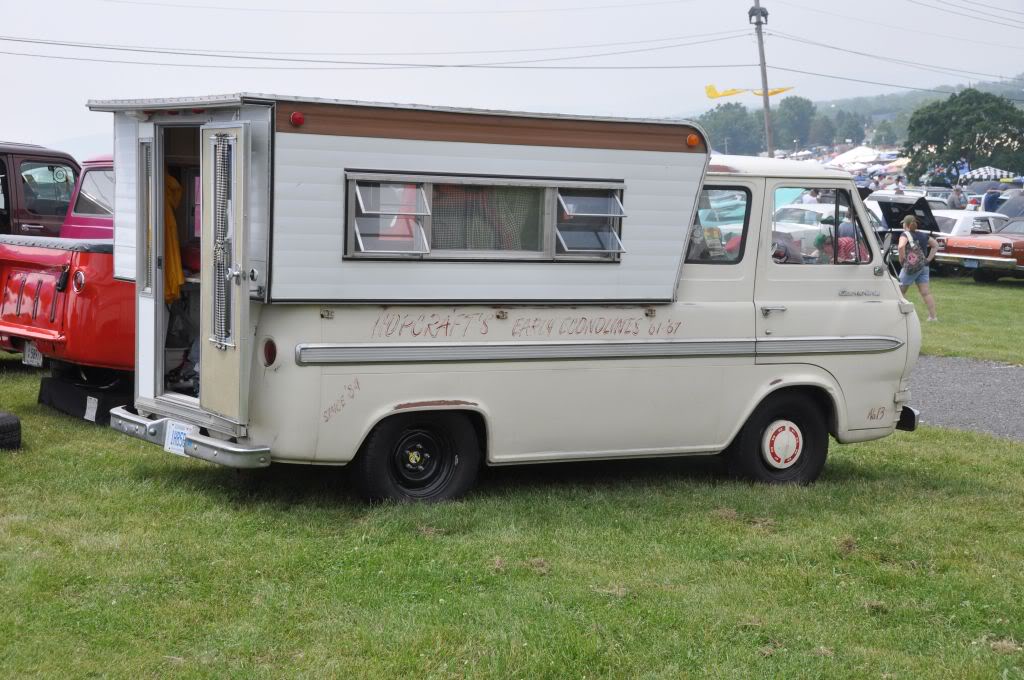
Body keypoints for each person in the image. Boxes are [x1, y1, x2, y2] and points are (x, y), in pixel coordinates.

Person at [897, 214, 938, 321]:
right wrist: (928, 259)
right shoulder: (923, 235)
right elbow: (935, 245)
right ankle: (933, 317)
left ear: (906, 225)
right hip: (923, 266)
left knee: (899, 292)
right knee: (926, 292)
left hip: (911, 268)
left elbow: (901, 246)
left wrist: (901, 259)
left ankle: (906, 316)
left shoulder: (904, 235)